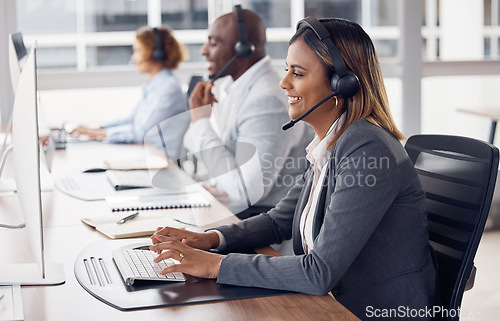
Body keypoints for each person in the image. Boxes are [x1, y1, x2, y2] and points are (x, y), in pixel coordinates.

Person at [149, 17, 440, 320]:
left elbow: (319, 271)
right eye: (287, 69)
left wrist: (213, 265)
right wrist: (211, 239)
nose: (284, 82)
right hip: (336, 303)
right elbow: (278, 221)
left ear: (343, 83)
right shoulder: (330, 143)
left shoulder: (367, 148)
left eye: (297, 73)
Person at [184, 6, 311, 217]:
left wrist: (200, 122)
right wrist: (214, 185)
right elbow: (232, 170)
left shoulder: (267, 100)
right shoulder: (238, 90)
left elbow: (244, 192)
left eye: (213, 43)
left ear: (243, 49)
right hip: (240, 217)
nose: (203, 50)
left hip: (264, 230)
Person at [70, 25, 189, 158]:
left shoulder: (168, 89)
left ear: (156, 53)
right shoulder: (153, 85)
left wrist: (93, 133)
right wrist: (97, 128)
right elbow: (132, 120)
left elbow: (140, 133)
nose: (133, 58)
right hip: (145, 153)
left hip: (158, 161)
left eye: (137, 51)